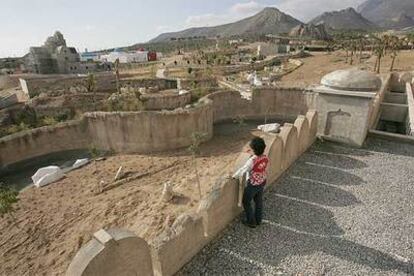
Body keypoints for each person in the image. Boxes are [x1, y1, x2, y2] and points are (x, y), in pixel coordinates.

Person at [233, 137, 269, 228]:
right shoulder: (265, 157)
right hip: (262, 182)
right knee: (258, 201)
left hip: (253, 184)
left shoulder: (252, 161)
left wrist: (234, 176)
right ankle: (258, 219)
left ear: (254, 150)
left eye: (251, 148)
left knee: (246, 201)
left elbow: (243, 170)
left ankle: (251, 222)